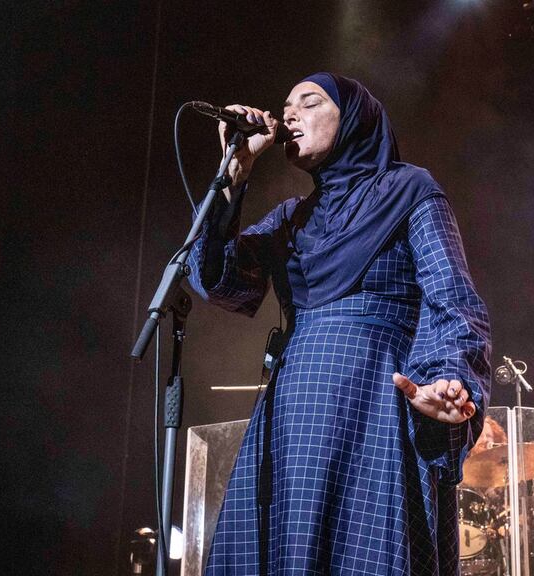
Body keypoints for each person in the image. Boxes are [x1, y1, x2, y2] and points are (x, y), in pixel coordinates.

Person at [187, 72, 491, 576]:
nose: (288, 115)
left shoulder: (410, 189)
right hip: (294, 406)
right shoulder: (291, 218)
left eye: (309, 102)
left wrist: (448, 379)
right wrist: (233, 176)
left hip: (374, 399)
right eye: (285, 105)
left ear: (353, 120)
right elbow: (216, 278)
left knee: (365, 551)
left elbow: (453, 301)